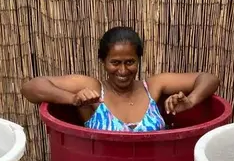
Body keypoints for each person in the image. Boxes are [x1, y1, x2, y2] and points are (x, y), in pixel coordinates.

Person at [20, 26, 221, 131]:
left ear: (139, 60)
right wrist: (73, 99)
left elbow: (209, 79)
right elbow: (30, 88)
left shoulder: (153, 86)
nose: (123, 70)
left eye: (130, 62)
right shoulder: (93, 88)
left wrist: (191, 101)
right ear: (103, 61)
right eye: (115, 63)